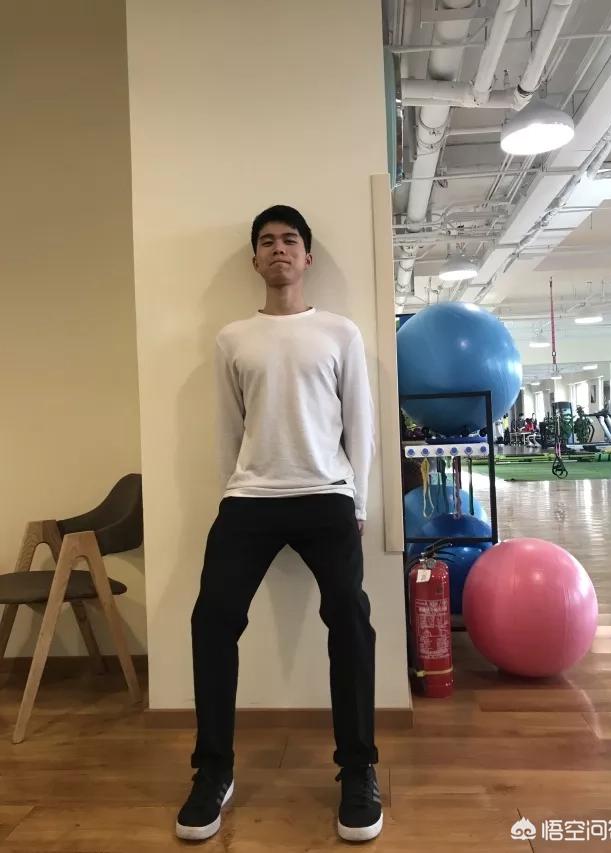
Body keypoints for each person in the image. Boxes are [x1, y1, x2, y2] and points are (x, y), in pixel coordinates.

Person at [176, 206, 382, 844]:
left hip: (327, 494)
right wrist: (230, 494)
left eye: (290, 240)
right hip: (250, 498)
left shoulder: (340, 332)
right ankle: (214, 771)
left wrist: (358, 503)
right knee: (212, 618)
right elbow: (227, 429)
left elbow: (361, 424)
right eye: (266, 242)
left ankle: (358, 770)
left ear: (307, 256)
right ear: (255, 259)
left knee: (349, 615)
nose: (278, 249)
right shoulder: (233, 339)